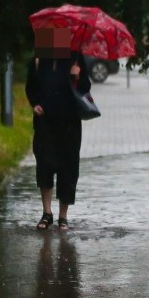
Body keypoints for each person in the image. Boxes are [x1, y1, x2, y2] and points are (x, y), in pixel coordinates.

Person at [25, 27, 91, 231]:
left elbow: (85, 89)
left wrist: (76, 77)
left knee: (68, 167)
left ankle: (63, 216)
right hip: (45, 121)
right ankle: (47, 213)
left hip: (69, 122)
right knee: (44, 164)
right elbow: (31, 87)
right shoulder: (39, 60)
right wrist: (34, 103)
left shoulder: (75, 58)